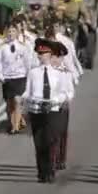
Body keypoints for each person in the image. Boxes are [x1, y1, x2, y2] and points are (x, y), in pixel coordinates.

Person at [22, 38, 73, 183]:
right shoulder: (33, 73)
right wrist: (24, 100)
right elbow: (28, 91)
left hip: (53, 110)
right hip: (36, 110)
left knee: (51, 141)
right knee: (39, 143)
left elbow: (67, 93)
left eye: (44, 53)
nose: (41, 56)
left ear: (50, 55)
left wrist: (58, 100)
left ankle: (50, 170)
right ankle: (41, 172)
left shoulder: (59, 73)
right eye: (39, 53)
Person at [0, 21, 33, 134]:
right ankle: (12, 122)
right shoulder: (2, 47)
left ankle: (15, 127)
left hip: (20, 77)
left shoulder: (23, 47)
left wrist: (29, 76)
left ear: (17, 33)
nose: (11, 33)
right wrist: (0, 75)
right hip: (7, 78)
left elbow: (27, 63)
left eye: (13, 31)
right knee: (9, 103)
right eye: (9, 31)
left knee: (17, 100)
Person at [49, 41, 75, 171]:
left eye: (60, 57)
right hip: (49, 107)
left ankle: (61, 159)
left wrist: (66, 99)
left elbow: (70, 91)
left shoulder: (65, 72)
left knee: (62, 133)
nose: (58, 60)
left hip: (62, 107)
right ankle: (52, 159)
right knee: (51, 135)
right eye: (55, 57)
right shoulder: (46, 71)